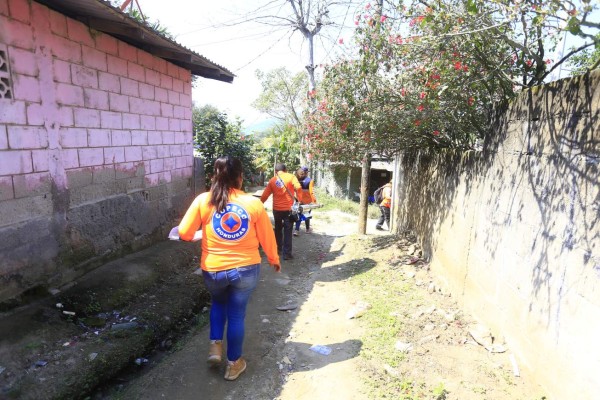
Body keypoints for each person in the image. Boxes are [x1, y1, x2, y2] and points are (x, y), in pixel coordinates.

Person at [178, 156, 281, 381]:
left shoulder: (203, 200)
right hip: (245, 269)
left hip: (213, 269)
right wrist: (274, 259)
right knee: (236, 315)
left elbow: (184, 233)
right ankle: (234, 364)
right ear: (240, 177)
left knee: (218, 303)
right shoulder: (253, 204)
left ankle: (215, 347)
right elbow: (267, 237)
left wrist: (202, 233)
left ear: (214, 176)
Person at [260, 163, 301, 260]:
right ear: (285, 170)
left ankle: (278, 249)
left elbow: (265, 195)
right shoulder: (291, 177)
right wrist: (299, 199)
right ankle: (287, 254)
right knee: (288, 230)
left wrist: (259, 203)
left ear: (276, 172)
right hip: (288, 210)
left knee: (278, 229)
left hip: (276, 210)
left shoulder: (272, 180)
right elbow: (298, 187)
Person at [293, 167, 317, 236]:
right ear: (307, 173)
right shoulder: (310, 180)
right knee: (307, 214)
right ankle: (307, 229)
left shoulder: (296, 180)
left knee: (298, 215)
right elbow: (311, 192)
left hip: (298, 201)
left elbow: (294, 190)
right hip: (307, 201)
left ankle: (296, 230)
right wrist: (314, 201)